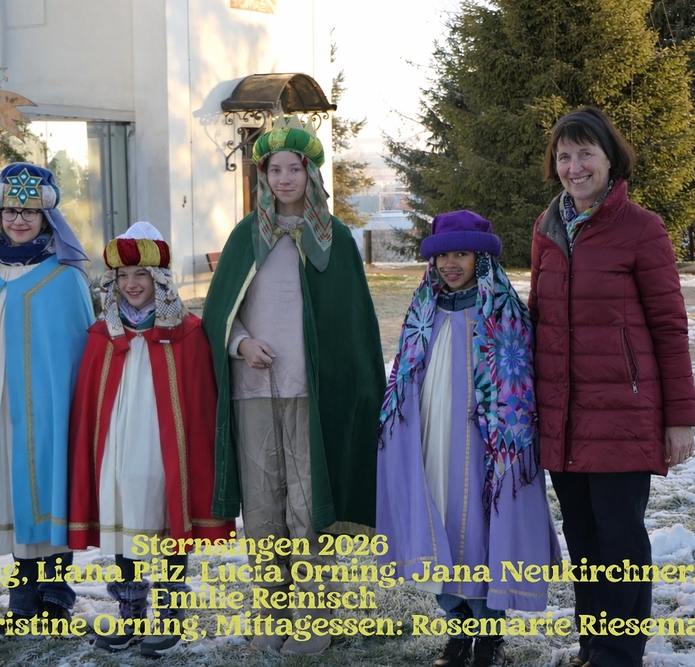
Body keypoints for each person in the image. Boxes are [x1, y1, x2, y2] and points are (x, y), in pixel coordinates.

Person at [201, 117, 385, 656]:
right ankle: (270, 614)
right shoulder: (245, 237)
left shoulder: (336, 240)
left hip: (312, 394)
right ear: (262, 176)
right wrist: (241, 345)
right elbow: (220, 313)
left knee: (308, 508)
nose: (283, 179)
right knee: (263, 510)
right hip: (253, 392)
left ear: (311, 173)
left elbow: (353, 325)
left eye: (293, 169)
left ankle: (313, 617)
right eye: (273, 170)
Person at [530, 107, 695, 667]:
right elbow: (538, 320)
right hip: (562, 415)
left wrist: (680, 419)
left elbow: (670, 327)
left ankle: (620, 654)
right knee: (582, 538)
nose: (574, 167)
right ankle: (593, 646)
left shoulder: (641, 228)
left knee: (619, 537)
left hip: (622, 414)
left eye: (586, 153)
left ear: (609, 159)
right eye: (564, 156)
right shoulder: (547, 228)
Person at [377, 211, 559, 667]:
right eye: (442, 256)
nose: (450, 264)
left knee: (479, 526)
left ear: (481, 258)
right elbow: (406, 371)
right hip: (433, 434)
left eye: (461, 254)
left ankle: (489, 633)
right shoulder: (424, 307)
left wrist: (501, 433)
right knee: (439, 519)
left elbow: (517, 379)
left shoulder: (501, 310)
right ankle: (456, 627)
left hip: (486, 442)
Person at [0, 162, 94, 631]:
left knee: (49, 486)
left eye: (29, 212)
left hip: (49, 408)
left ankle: (56, 594)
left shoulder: (64, 277)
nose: (19, 220)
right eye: (10, 211)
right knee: (11, 490)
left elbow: (78, 352)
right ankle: (23, 595)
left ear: (46, 219)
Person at [68, 222, 235, 657]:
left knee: (168, 518)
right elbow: (90, 401)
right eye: (123, 276)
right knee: (124, 518)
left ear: (159, 278)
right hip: (118, 445)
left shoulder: (187, 331)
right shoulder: (102, 334)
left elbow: (199, 401)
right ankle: (130, 614)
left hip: (165, 447)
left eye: (141, 274)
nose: (131, 284)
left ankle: (170, 613)